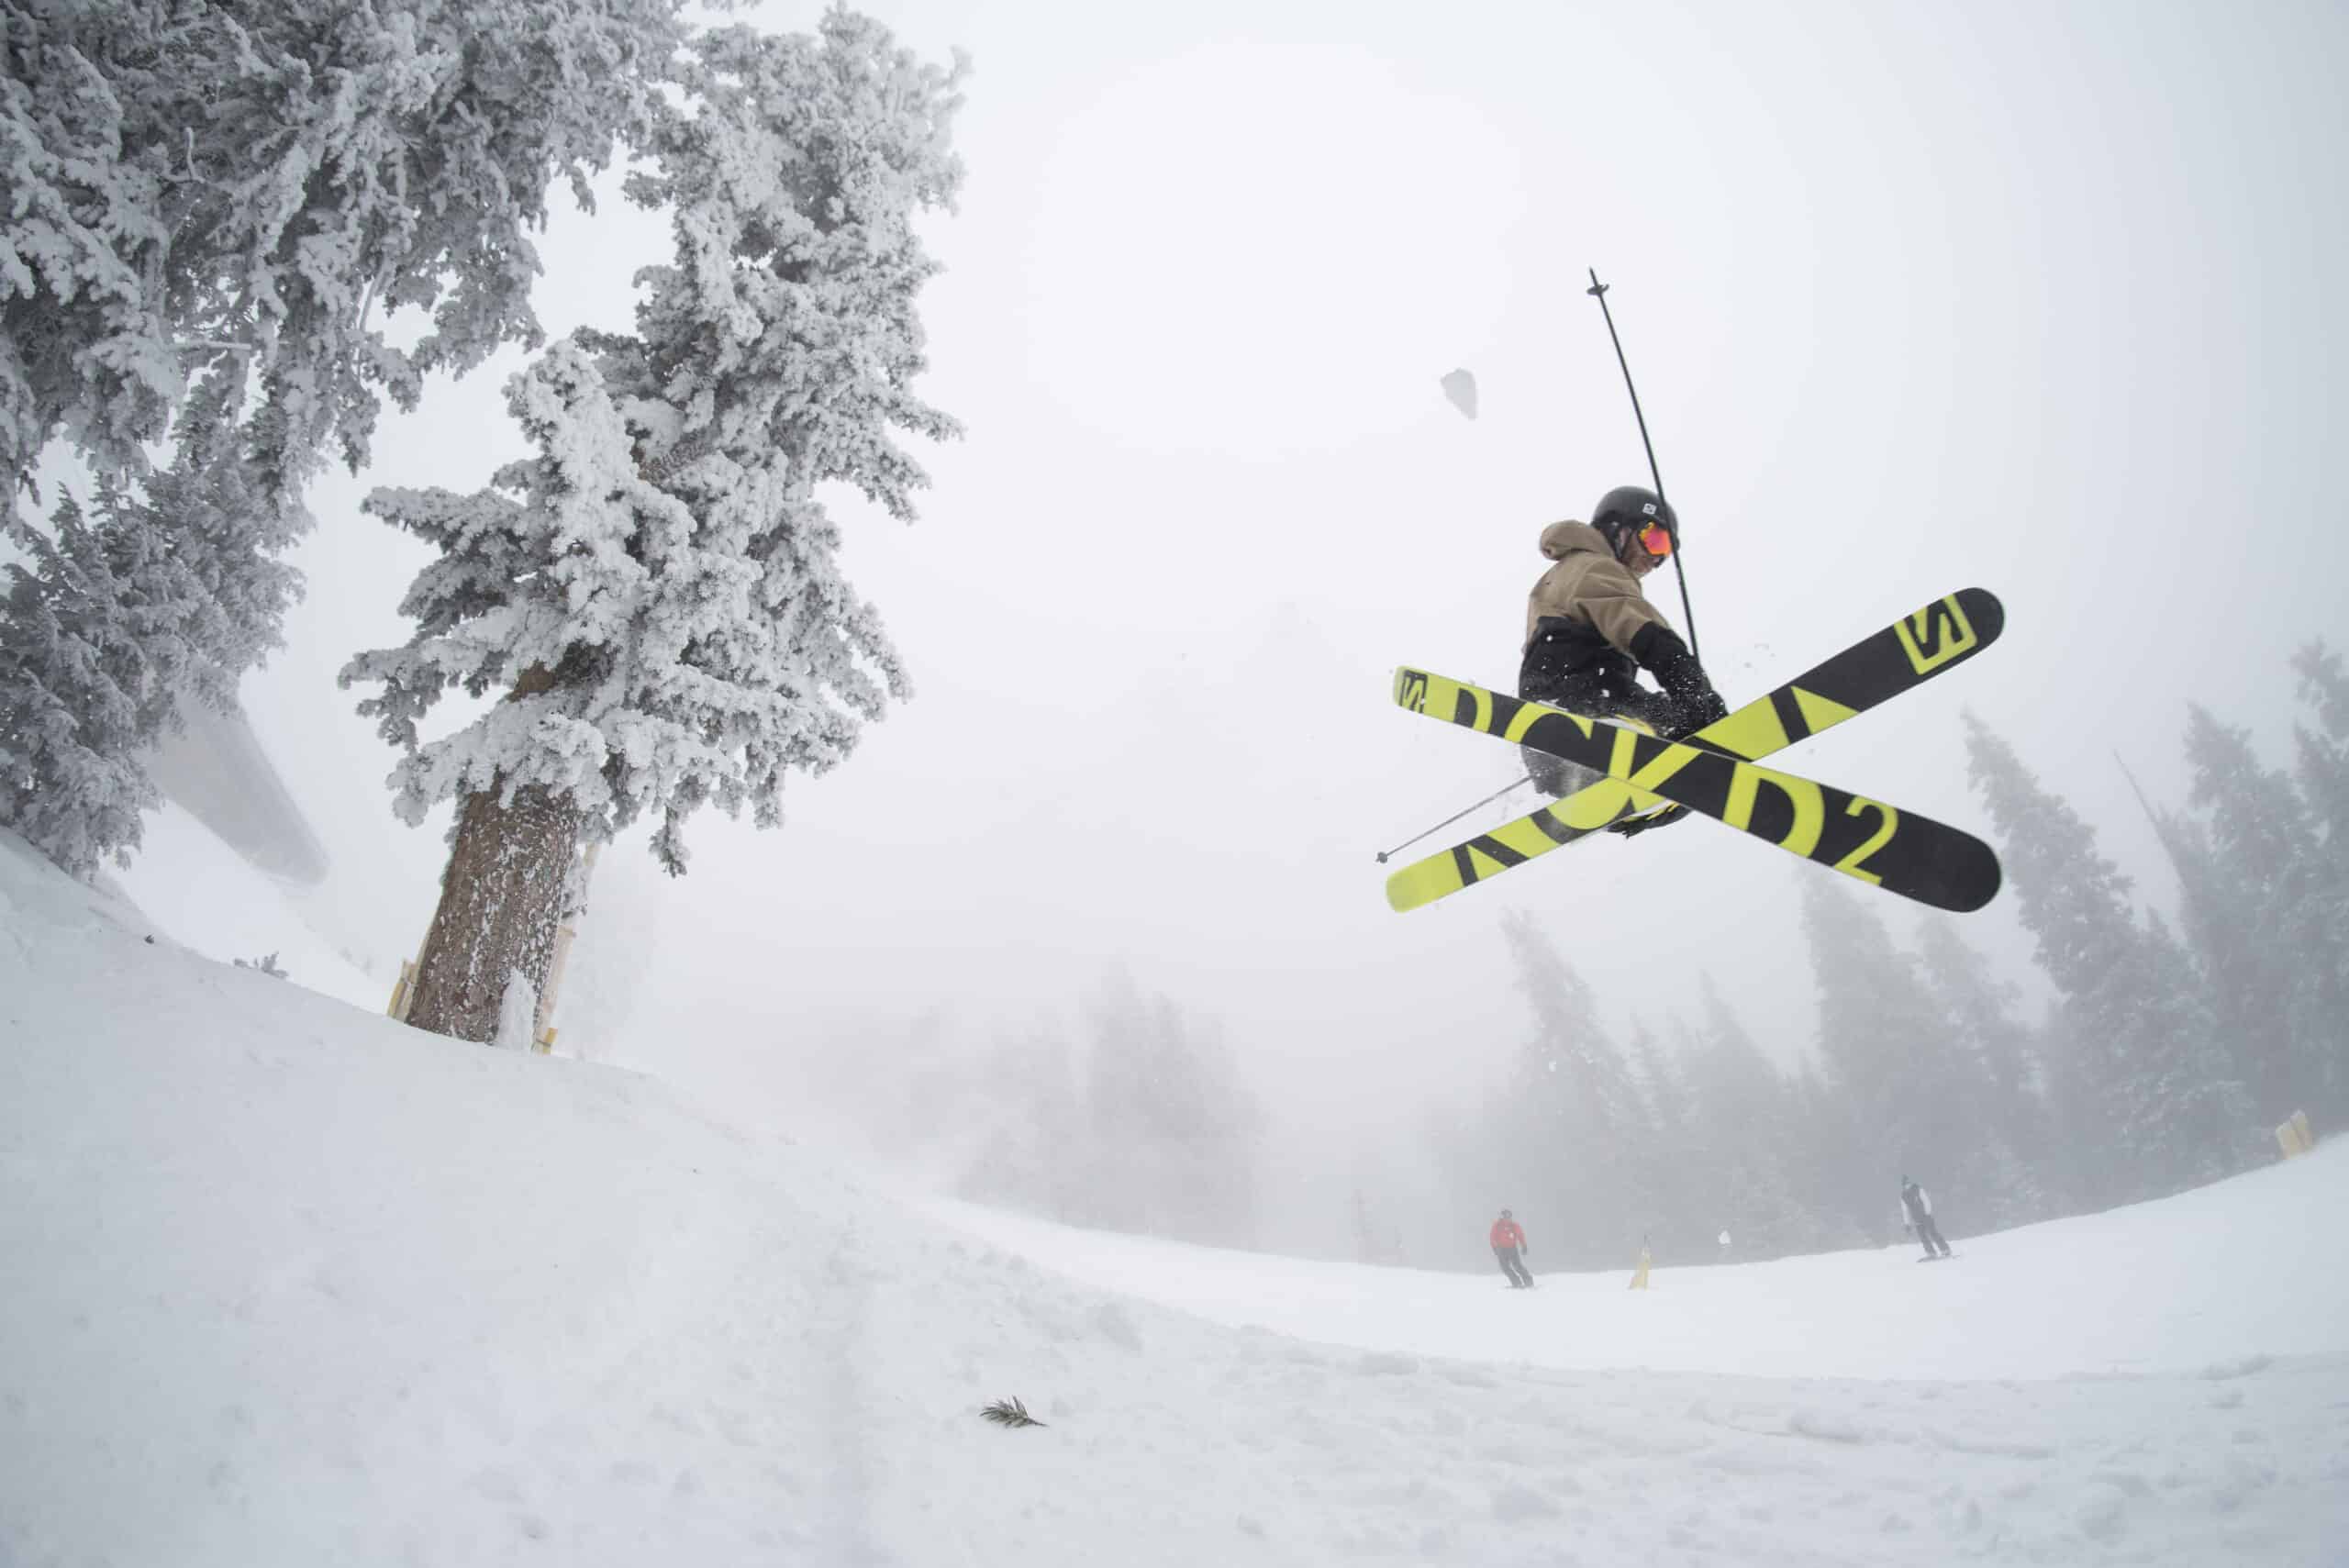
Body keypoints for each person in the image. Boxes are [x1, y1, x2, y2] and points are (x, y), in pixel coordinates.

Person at [1519, 486, 1731, 818]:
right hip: (1585, 703)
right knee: (1686, 731)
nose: (1657, 558)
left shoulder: (1561, 576)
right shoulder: (1594, 567)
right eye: (1656, 539)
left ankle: (1623, 788)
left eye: (1667, 552)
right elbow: (1642, 631)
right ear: (1618, 528)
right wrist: (1693, 690)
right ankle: (1638, 755)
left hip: (1550, 727)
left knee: (1678, 739)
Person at [1899, 1174, 1953, 1259]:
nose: (1906, 1186)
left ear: (1910, 1183)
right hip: (1917, 1219)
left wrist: (1927, 1213)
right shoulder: (1903, 1196)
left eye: (1907, 1184)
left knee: (1933, 1233)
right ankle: (1931, 1253)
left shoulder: (1918, 1189)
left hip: (1925, 1216)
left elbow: (1926, 1200)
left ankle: (1945, 1250)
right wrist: (1907, 1224)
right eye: (1905, 1185)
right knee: (1923, 1237)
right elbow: (1905, 1211)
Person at [1489, 1207, 1533, 1288]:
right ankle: (1516, 1282)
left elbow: (1520, 1235)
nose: (1507, 1218)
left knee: (1518, 1266)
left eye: (1509, 1216)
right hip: (1501, 1249)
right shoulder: (1497, 1225)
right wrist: (1494, 1248)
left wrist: (1524, 1246)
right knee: (1505, 1268)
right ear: (1502, 1217)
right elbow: (1492, 1237)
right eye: (1506, 1216)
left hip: (1512, 1248)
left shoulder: (1514, 1226)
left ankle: (1528, 1282)